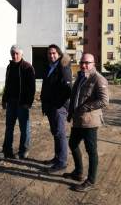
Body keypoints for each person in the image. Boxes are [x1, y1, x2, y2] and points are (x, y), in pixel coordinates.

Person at [64, 53, 109, 192]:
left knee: (91, 151)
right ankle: (78, 172)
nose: (84, 65)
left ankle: (90, 180)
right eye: (82, 62)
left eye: (87, 63)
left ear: (93, 63)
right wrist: (71, 112)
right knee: (72, 144)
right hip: (78, 120)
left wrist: (85, 107)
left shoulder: (98, 79)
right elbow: (74, 96)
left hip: (90, 122)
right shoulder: (80, 77)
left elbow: (104, 101)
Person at [40, 44, 72, 173]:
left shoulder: (63, 67)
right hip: (50, 107)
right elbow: (46, 87)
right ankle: (57, 157)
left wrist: (58, 104)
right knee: (56, 133)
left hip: (58, 107)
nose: (51, 55)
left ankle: (62, 162)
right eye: (49, 53)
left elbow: (68, 89)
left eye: (54, 53)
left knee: (60, 134)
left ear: (59, 54)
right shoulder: (50, 67)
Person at [1, 45, 36, 159]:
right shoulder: (9, 67)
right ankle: (7, 150)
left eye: (17, 54)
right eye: (13, 54)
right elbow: (7, 85)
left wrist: (28, 103)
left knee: (24, 127)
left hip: (22, 103)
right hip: (11, 102)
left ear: (21, 54)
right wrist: (4, 100)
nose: (15, 56)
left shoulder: (27, 67)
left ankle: (24, 150)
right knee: (9, 127)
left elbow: (32, 88)